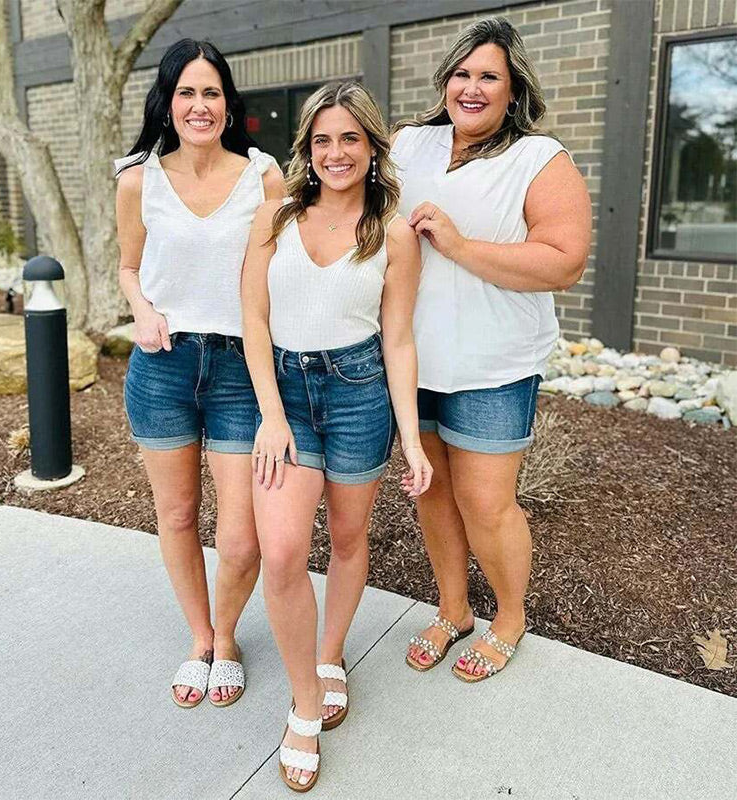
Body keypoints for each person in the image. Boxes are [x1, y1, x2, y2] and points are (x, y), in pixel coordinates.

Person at [241, 81, 431, 791]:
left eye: (350, 137)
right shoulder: (275, 217)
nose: (336, 152)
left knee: (349, 540)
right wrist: (271, 413)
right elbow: (254, 319)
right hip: (285, 396)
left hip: (359, 396)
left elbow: (398, 341)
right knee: (284, 553)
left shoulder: (394, 234)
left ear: (373, 147)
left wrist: (412, 439)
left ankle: (330, 655)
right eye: (322, 139)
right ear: (307, 148)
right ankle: (304, 705)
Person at [393, 18, 591, 682]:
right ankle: (453, 610)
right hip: (411, 359)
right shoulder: (410, 144)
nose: (471, 87)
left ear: (513, 91)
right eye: (461, 73)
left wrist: (459, 246)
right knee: (432, 494)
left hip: (494, 364)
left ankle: (509, 618)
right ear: (444, 81)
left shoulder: (539, 158)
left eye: (488, 76)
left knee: (485, 503)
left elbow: (564, 262)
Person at [115, 39, 285, 709]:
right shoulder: (139, 179)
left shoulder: (262, 176)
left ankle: (230, 634)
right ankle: (203, 639)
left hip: (242, 367)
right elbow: (129, 267)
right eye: (186, 92)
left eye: (211, 92)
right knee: (178, 514)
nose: (199, 105)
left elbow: (275, 276)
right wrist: (141, 309)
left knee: (241, 536)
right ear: (167, 103)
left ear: (228, 104)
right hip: (163, 366)